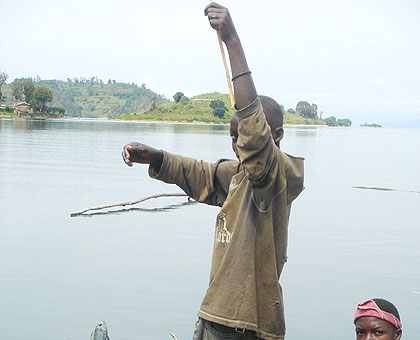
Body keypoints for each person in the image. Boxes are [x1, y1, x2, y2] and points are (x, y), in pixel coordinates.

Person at [122, 3, 304, 340]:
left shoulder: (276, 178)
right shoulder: (239, 176)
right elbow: (201, 175)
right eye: (232, 137)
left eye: (244, 138)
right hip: (214, 316)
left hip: (248, 325)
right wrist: (156, 157)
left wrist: (231, 41)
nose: (238, 144)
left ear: (276, 137)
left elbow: (255, 137)